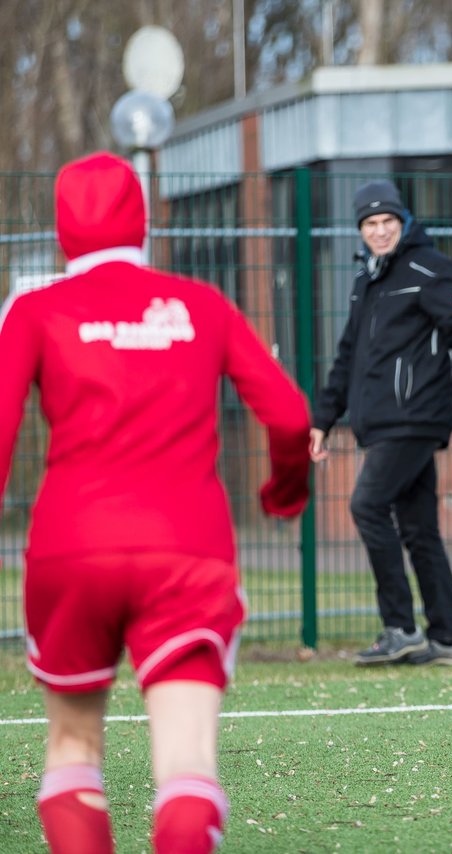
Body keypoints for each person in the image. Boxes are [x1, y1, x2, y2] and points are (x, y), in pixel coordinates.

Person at [0, 151, 312, 853]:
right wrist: (283, 491)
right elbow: (291, 418)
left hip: (71, 548)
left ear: (63, 230)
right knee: (186, 766)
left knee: (73, 748)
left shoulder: (34, 310)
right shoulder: (200, 305)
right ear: (141, 221)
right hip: (187, 550)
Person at [310, 179, 452, 667]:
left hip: (415, 417)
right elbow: (347, 356)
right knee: (420, 530)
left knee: (366, 505)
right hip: (380, 421)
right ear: (360, 230)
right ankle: (446, 639)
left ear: (403, 223)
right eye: (370, 224)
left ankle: (399, 628)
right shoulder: (368, 279)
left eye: (388, 222)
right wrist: (323, 418)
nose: (380, 231)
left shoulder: (430, 268)